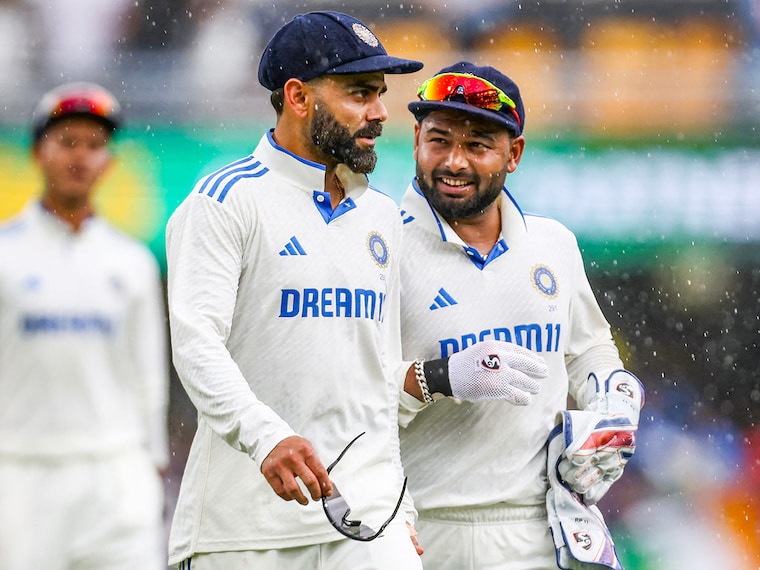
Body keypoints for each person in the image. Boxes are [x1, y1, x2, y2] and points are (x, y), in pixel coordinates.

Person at [165, 12, 550, 570]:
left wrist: (403, 504)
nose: (379, 113)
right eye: (360, 94)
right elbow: (196, 346)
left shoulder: (380, 218)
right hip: (244, 530)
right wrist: (266, 437)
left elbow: (375, 383)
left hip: (368, 522)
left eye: (379, 94)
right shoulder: (224, 201)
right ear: (298, 97)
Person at [396, 61, 645, 569]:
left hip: (545, 524)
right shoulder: (377, 246)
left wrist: (611, 389)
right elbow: (346, 396)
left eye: (478, 145)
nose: (455, 162)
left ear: (515, 154)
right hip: (423, 529)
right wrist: (438, 378)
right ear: (416, 138)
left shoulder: (553, 243)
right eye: (439, 140)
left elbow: (588, 347)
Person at [0, 82, 170, 569]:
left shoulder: (132, 262)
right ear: (37, 153)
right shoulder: (5, 255)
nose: (81, 156)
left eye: (95, 146)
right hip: (24, 473)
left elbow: (149, 381)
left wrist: (151, 468)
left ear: (110, 163)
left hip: (117, 474)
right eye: (67, 142)